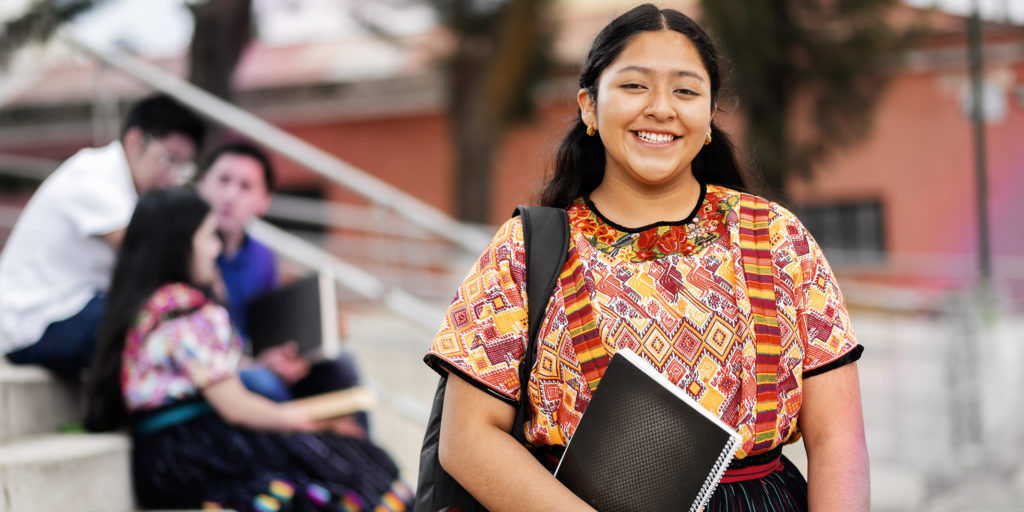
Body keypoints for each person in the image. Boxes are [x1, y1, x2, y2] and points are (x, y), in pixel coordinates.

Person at [424, 4, 869, 511]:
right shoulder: (524, 251)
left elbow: (838, 440)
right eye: (634, 86)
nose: (661, 108)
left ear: (709, 117)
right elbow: (468, 440)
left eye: (685, 90)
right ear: (589, 107)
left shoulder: (779, 239)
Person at [84, 187, 411, 512]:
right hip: (200, 452)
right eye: (210, 237)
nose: (216, 250)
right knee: (356, 466)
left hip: (162, 458)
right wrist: (312, 421)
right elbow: (235, 407)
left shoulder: (150, 309)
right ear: (180, 245)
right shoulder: (190, 313)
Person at [0, 94, 205, 376]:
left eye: (183, 166)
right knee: (153, 330)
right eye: (169, 160)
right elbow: (148, 256)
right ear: (135, 141)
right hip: (34, 321)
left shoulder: (130, 190)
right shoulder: (94, 176)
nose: (173, 177)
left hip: (78, 308)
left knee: (163, 324)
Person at [196, 141, 367, 436]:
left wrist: (308, 342)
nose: (230, 194)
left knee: (342, 364)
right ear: (202, 184)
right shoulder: (192, 252)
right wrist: (258, 363)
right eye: (223, 180)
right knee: (265, 382)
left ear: (264, 201)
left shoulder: (262, 256)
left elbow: (267, 326)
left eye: (245, 186)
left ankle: (365, 456)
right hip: (220, 368)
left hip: (258, 358)